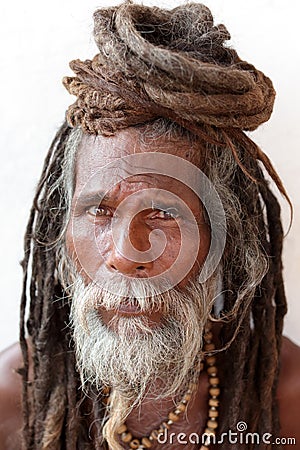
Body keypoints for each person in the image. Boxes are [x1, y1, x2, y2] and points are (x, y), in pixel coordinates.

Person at [0, 2, 300, 449]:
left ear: (223, 234)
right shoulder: (12, 402)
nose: (124, 254)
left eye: (164, 213)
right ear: (62, 230)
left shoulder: (286, 393)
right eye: (99, 212)